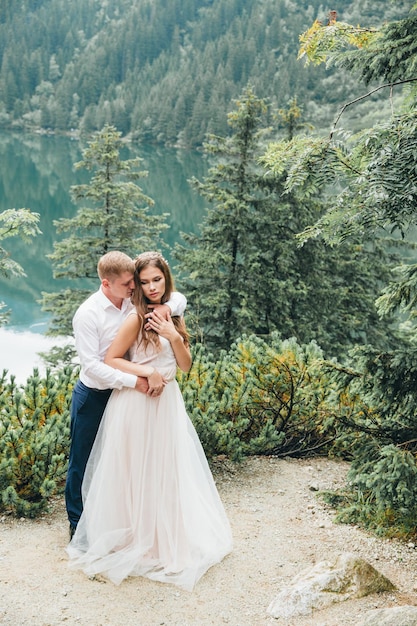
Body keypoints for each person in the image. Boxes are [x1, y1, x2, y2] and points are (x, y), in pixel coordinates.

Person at [66, 251, 233, 591]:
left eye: (154, 280)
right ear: (114, 284)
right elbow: (102, 361)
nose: (146, 287)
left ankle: (159, 537)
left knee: (164, 468)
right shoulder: (110, 315)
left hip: (165, 402)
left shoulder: (168, 311)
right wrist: (147, 374)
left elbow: (186, 366)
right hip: (125, 397)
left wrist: (172, 333)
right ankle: (86, 531)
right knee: (101, 465)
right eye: (140, 283)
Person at [65, 250, 186, 540]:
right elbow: (94, 366)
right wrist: (137, 380)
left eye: (136, 283)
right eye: (128, 284)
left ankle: (122, 518)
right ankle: (77, 524)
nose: (135, 288)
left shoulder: (132, 301)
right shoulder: (88, 315)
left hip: (128, 397)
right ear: (106, 284)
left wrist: (168, 309)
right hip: (95, 395)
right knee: (83, 460)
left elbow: (173, 295)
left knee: (121, 461)